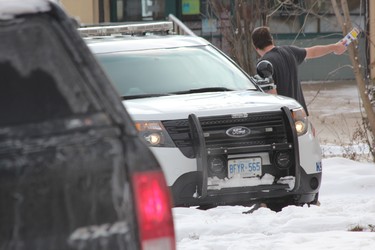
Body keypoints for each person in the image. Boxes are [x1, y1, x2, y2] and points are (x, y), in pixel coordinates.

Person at [251, 26, 347, 116]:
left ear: (255, 47)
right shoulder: (290, 51)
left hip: (284, 117)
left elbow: (271, 95)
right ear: (271, 39)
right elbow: (313, 51)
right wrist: (335, 47)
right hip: (299, 115)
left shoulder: (264, 64)